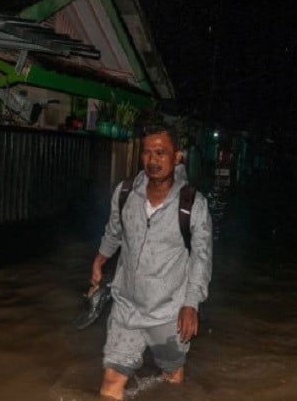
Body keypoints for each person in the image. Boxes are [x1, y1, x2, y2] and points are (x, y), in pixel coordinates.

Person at [90, 125, 213, 400]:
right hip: (126, 308)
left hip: (168, 313)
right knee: (110, 384)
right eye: (147, 152)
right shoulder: (125, 193)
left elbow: (201, 258)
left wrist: (191, 304)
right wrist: (100, 260)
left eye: (161, 152)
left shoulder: (193, 203)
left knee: (172, 379)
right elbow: (114, 231)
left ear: (177, 157)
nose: (153, 160)